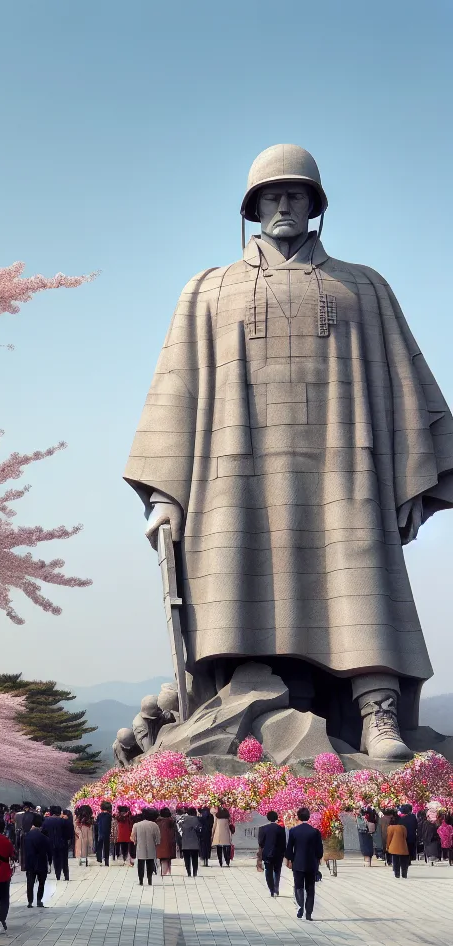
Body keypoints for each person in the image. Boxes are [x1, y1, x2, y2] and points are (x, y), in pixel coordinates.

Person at [126, 143, 453, 762]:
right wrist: (168, 497)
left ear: (314, 205)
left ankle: (375, 711)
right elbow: (176, 395)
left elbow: (408, 389)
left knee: (359, 574)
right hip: (234, 472)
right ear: (252, 209)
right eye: (271, 196)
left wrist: (411, 480)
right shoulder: (207, 289)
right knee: (237, 574)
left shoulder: (363, 286)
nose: (284, 204)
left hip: (345, 464)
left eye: (295, 194)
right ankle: (253, 702)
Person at [285, 807, 324, 921]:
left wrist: (290, 860)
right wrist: (317, 859)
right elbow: (319, 851)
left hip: (298, 863)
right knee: (310, 888)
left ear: (298, 817)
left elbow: (289, 849)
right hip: (311, 864)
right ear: (309, 817)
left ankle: (300, 906)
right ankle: (309, 913)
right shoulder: (315, 832)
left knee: (298, 886)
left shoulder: (294, 831)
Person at [23, 813, 52, 908]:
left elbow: (23, 850)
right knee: (41, 883)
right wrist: (50, 863)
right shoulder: (44, 838)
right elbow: (49, 852)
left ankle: (30, 901)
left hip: (30, 862)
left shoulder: (26, 836)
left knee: (30, 882)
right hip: (41, 862)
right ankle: (39, 900)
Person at [257, 811, 287, 897]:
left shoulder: (263, 828)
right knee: (277, 871)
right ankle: (276, 888)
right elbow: (283, 842)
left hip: (267, 853)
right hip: (278, 853)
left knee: (268, 871)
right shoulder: (281, 829)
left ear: (268, 818)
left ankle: (271, 889)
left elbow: (261, 842)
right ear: (276, 818)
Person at [131, 808, 160, 886]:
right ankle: (150, 880)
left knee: (140, 864)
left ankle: (141, 880)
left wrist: (135, 842)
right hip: (151, 847)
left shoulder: (136, 825)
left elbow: (132, 837)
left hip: (140, 847)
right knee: (150, 863)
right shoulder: (154, 825)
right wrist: (156, 843)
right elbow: (158, 839)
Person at [42, 806, 70, 881]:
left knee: (55, 859)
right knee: (64, 860)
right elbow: (69, 832)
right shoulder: (63, 821)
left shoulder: (46, 821)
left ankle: (58, 875)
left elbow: (43, 832)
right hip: (63, 843)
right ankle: (66, 875)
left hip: (51, 843)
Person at [386, 813, 411, 878]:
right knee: (404, 861)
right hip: (403, 846)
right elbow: (405, 836)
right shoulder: (403, 827)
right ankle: (404, 873)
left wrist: (387, 846)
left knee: (396, 861)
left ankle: (397, 874)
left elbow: (389, 838)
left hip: (393, 847)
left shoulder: (390, 828)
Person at [178, 807, 201, 878]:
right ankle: (194, 872)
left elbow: (179, 826)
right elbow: (199, 829)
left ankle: (188, 872)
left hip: (185, 841)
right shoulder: (196, 819)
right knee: (195, 858)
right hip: (194, 841)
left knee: (187, 858)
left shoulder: (183, 819)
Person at [156, 807, 177, 876]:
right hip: (170, 843)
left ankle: (163, 872)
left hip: (160, 843)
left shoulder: (157, 822)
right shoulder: (172, 822)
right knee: (168, 858)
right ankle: (167, 871)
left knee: (163, 859)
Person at [94, 802, 113, 867]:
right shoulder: (109, 816)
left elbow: (96, 823)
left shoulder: (99, 815)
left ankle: (99, 859)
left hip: (100, 832)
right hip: (107, 833)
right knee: (106, 847)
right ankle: (106, 861)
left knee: (100, 846)